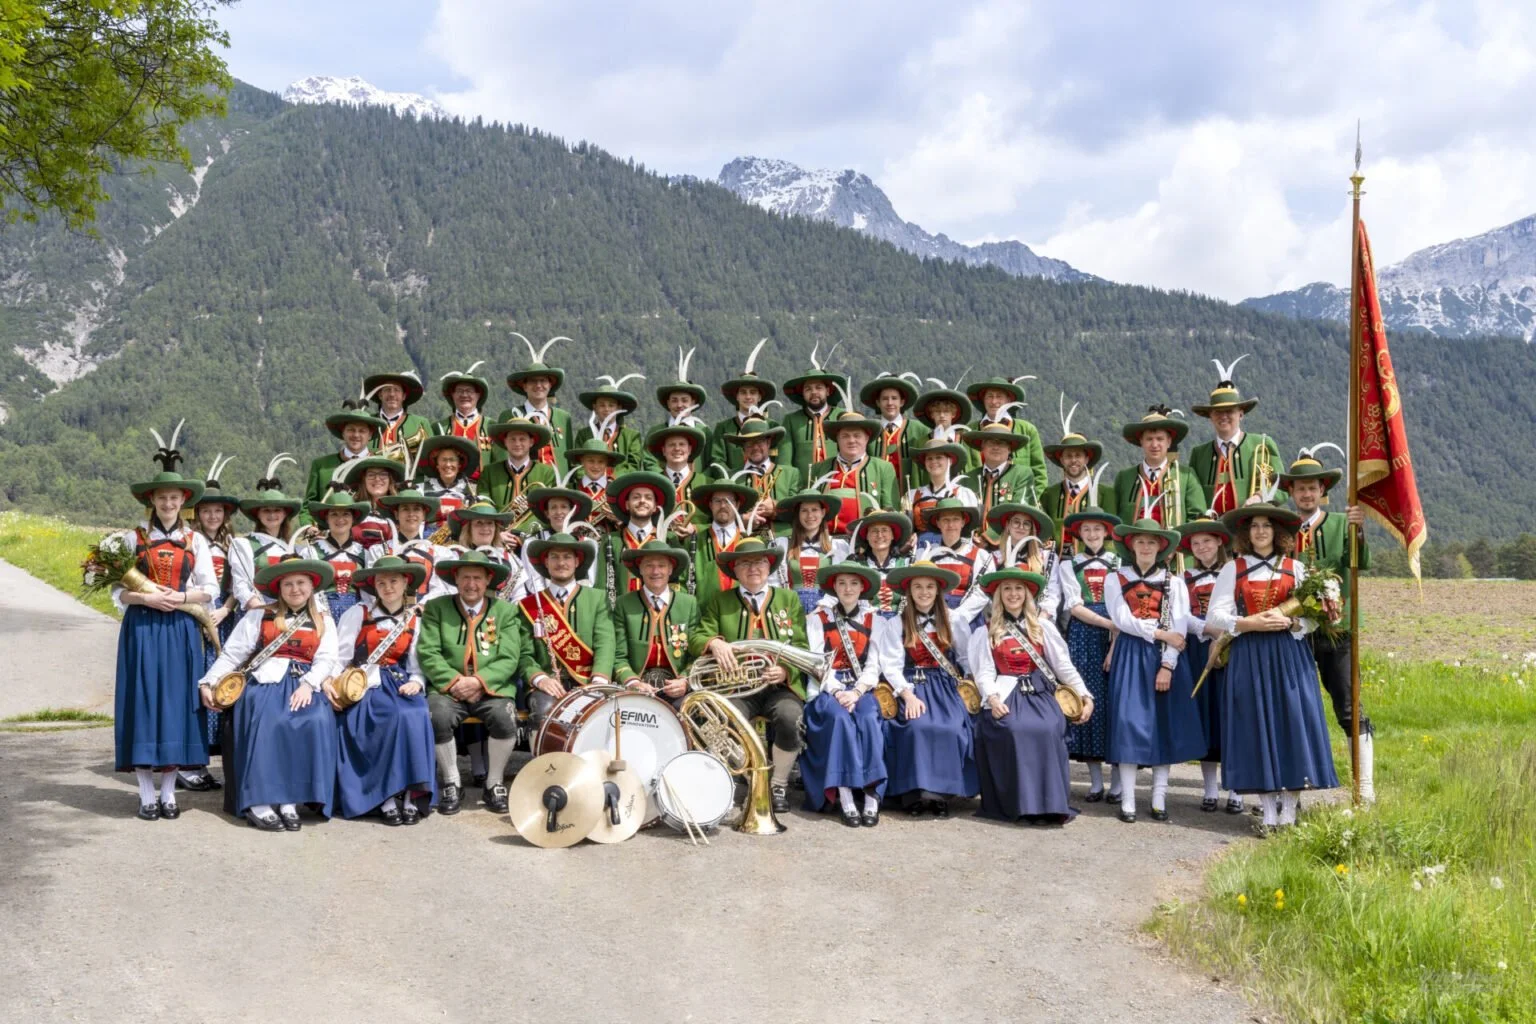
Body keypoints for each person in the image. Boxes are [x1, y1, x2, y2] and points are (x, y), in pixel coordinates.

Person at [1207, 503, 1340, 830]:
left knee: (1292, 725)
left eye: (1267, 525)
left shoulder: (1296, 568)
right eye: (1254, 526)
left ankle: (1290, 811)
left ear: (1278, 532)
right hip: (1249, 655)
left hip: (1288, 655)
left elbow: (1313, 619)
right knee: (1256, 727)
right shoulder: (1233, 568)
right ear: (1245, 533)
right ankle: (1267, 811)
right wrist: (1250, 622)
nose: (1261, 531)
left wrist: (1293, 624)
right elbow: (1215, 616)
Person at [114, 438, 219, 821]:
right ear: (152, 500)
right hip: (142, 626)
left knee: (176, 705)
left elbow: (210, 589)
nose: (169, 504)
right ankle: (145, 794)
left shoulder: (196, 541)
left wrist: (177, 596)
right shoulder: (132, 538)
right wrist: (145, 599)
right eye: (162, 497)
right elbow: (117, 591)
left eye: (174, 498)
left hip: (179, 628)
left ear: (183, 500)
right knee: (143, 702)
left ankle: (170, 794)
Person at [198, 556, 340, 831]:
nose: (295, 589)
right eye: (288, 584)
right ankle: (259, 801)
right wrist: (208, 681)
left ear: (311, 586)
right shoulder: (259, 615)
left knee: (316, 720)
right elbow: (232, 654)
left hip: (303, 683)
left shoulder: (323, 620)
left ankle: (289, 799)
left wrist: (309, 684)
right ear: (278, 588)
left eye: (301, 583)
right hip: (265, 681)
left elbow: (327, 658)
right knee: (268, 720)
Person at [1280, 445, 1374, 801]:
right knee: (1296, 707)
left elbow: (1360, 563)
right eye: (1300, 488)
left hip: (1338, 630)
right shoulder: (1283, 529)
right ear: (1291, 491)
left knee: (1349, 706)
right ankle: (1295, 789)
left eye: (1313, 487)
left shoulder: (1340, 523)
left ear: (1323, 491)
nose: (1307, 493)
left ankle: (1364, 788)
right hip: (1293, 633)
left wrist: (1359, 531)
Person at [690, 537, 810, 813]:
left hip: (778, 687)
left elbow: (802, 647)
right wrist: (713, 643)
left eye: (759, 562)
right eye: (745, 563)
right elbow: (698, 636)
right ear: (735, 570)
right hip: (736, 688)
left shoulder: (788, 599)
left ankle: (777, 785)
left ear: (769, 566)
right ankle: (738, 781)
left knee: (791, 718)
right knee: (722, 721)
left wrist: (785, 670)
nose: (753, 568)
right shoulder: (720, 601)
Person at [417, 550, 540, 815]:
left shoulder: (506, 612)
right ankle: (452, 781)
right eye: (465, 578)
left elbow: (510, 657)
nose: (471, 584)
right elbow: (428, 652)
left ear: (488, 581)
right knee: (436, 716)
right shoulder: (437, 609)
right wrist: (454, 682)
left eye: (477, 578)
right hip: (449, 689)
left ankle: (494, 783)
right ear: (455, 580)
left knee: (505, 718)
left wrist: (479, 682)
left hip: (492, 689)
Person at [968, 568, 1093, 824]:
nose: (1013, 594)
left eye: (1018, 589)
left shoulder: (1043, 627)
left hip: (1040, 693)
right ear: (999, 596)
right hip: (1005, 693)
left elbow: (1063, 667)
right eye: (1007, 589)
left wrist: (1085, 696)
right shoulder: (986, 631)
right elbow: (983, 673)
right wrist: (992, 699)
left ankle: (1049, 805)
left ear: (1027, 594)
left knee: (1048, 727)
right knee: (1013, 729)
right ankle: (1020, 806)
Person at [1103, 516, 1206, 823]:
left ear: (1161, 548)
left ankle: (1159, 796)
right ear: (1131, 545)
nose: (1146, 547)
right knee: (1128, 723)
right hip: (1130, 655)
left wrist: (1167, 665)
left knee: (1164, 724)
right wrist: (1158, 633)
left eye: (1152, 542)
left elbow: (1179, 624)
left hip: (1165, 657)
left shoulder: (1174, 582)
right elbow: (1122, 619)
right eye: (1140, 542)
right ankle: (1130, 800)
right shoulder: (1115, 578)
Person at [332, 556, 438, 824]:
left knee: (415, 715)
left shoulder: (415, 618)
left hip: (397, 679)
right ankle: (385, 796)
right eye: (382, 582)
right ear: (374, 586)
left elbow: (416, 663)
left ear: (405, 584)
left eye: (394, 581)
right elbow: (340, 658)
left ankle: (410, 792)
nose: (388, 587)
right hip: (363, 681)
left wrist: (417, 681)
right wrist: (337, 686)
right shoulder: (358, 613)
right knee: (387, 716)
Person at [877, 561, 978, 816]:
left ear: (938, 590)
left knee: (951, 727)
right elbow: (891, 666)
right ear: (909, 591)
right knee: (915, 727)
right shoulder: (896, 624)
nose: (924, 592)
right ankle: (915, 796)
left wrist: (968, 686)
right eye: (918, 587)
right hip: (912, 686)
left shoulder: (954, 619)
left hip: (945, 686)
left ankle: (942, 795)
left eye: (929, 587)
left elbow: (966, 658)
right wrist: (907, 695)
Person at [803, 563, 888, 826]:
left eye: (854, 583)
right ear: (834, 587)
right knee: (838, 720)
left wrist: (858, 691)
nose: (848, 589)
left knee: (868, 718)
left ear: (863, 587)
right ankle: (845, 794)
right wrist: (839, 691)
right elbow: (818, 663)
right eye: (842, 583)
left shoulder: (877, 620)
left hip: (862, 687)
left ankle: (872, 795)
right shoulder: (818, 619)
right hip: (830, 687)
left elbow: (875, 664)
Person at [179, 454, 242, 792]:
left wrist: (226, 609)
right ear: (197, 513)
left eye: (218, 511)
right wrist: (203, 612)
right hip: (196, 613)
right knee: (196, 683)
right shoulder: (189, 541)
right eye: (206, 511)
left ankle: (214, 756)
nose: (213, 516)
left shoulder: (234, 543)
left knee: (222, 684)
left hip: (225, 617)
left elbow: (236, 585)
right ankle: (189, 762)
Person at [1055, 499, 1122, 802]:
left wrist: (1116, 627)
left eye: (1098, 528)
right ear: (1079, 534)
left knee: (1116, 704)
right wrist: (1107, 621)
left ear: (1106, 532)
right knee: (1088, 700)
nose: (1092, 533)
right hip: (1084, 634)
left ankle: (1119, 781)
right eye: (1087, 529)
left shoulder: (1120, 564)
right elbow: (1073, 605)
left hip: (1118, 635)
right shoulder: (1068, 564)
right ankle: (1096, 782)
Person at [1177, 514, 1243, 814]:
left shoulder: (1234, 574)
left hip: (1232, 650)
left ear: (1220, 541)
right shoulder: (1183, 579)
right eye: (1196, 542)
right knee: (1205, 717)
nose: (1202, 547)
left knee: (1232, 716)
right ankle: (1209, 789)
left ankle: (1237, 790)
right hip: (1198, 649)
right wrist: (1210, 632)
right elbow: (1183, 616)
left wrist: (1225, 636)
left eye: (1207, 541)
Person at [521, 533, 618, 730]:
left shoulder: (598, 598)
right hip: (548, 684)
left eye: (567, 557)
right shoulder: (529, 605)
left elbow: (605, 644)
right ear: (545, 562)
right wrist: (540, 678)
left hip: (589, 681)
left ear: (577, 562)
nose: (561, 562)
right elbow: (524, 654)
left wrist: (598, 680)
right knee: (543, 712)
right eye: (554, 557)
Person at [1187, 357, 1283, 516]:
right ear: (1210, 416)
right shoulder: (1199, 454)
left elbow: (1280, 487)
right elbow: (1193, 497)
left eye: (1229, 411)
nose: (1223, 416)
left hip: (1250, 529)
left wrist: (1260, 497)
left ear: (1241, 414)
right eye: (1218, 412)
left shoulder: (1262, 444)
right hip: (1213, 534)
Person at [611, 539, 698, 704]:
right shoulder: (624, 604)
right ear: (640, 569)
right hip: (638, 686)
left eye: (662, 565)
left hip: (676, 687)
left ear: (671, 569)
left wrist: (685, 681)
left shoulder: (689, 603)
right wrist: (632, 681)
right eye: (649, 565)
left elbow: (695, 654)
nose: (655, 571)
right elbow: (618, 655)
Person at [1112, 406, 1207, 535]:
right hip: (1134, 552)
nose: (1154, 444)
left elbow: (1197, 518)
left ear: (1169, 442)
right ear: (1141, 441)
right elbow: (1116, 520)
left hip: (1175, 552)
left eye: (1160, 439)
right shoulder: (1124, 478)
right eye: (1149, 439)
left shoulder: (1186, 476)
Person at [230, 455, 303, 613]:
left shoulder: (294, 549)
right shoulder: (244, 544)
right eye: (266, 510)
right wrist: (260, 608)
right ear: (258, 514)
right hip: (257, 611)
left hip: (289, 612)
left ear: (285, 514)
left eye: (277, 510)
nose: (272, 515)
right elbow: (240, 585)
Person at [809, 408, 900, 534]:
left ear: (867, 438)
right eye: (845, 436)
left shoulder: (883, 468)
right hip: (825, 540)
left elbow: (891, 511)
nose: (851, 440)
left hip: (864, 543)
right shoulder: (819, 469)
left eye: (857, 435)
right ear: (837, 439)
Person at [707, 339, 786, 473]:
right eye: (743, 392)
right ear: (736, 396)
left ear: (759, 397)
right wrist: (731, 480)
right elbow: (717, 460)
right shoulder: (724, 428)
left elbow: (780, 458)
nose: (748, 397)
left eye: (753, 392)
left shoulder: (772, 426)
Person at [965, 376, 1049, 497]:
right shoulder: (969, 431)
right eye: (990, 396)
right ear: (983, 399)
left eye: (999, 396)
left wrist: (1032, 503)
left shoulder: (1026, 430)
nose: (994, 402)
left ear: (1009, 400)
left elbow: (1039, 473)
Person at [501, 334, 574, 472]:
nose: (539, 385)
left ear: (550, 385)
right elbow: (502, 458)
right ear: (524, 386)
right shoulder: (510, 415)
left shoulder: (563, 418)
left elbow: (569, 458)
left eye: (543, 381)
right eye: (533, 381)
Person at [601, 471, 677, 601]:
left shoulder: (668, 539)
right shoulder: (611, 540)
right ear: (627, 505)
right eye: (636, 497)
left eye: (648, 497)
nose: (642, 501)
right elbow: (601, 585)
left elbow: (677, 582)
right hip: (620, 614)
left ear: (655, 507)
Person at [1040, 396, 1104, 553]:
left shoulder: (1105, 493)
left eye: (1078, 456)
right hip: (1056, 563)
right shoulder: (1050, 494)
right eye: (1068, 456)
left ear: (1087, 458)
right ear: (1061, 459)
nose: (1073, 460)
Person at [685, 477, 759, 607]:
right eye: (717, 501)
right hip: (703, 617)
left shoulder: (750, 542)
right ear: (710, 505)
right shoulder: (694, 540)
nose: (723, 506)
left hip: (741, 615)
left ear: (737, 504)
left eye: (728, 501)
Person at [772, 490, 849, 613]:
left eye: (814, 510)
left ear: (823, 512)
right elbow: (774, 582)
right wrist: (786, 604)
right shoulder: (782, 544)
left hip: (827, 610)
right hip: (790, 608)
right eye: (804, 510)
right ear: (798, 514)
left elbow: (843, 583)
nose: (809, 515)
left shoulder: (837, 546)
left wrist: (823, 607)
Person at [300, 491, 373, 620]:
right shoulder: (312, 552)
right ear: (326, 518)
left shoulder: (364, 553)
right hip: (321, 615)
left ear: (353, 519)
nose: (340, 519)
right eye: (334, 514)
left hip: (356, 617)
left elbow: (369, 592)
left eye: (346, 514)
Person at [925, 498, 994, 630]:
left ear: (963, 522)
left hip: (969, 621)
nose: (950, 524)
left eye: (955, 519)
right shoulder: (927, 556)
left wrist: (959, 616)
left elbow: (982, 593)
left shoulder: (981, 556)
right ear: (938, 523)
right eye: (945, 520)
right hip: (935, 619)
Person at [983, 503, 1061, 619]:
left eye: (1026, 524)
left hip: (1038, 618)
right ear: (1008, 525)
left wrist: (1041, 618)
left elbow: (1053, 593)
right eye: (1016, 522)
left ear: (1031, 529)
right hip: (1001, 619)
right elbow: (987, 595)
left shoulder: (1046, 557)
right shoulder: (992, 558)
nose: (1021, 527)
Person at [725, 417, 801, 536]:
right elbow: (721, 512)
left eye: (759, 441)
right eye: (749, 443)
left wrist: (775, 508)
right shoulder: (730, 477)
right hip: (744, 543)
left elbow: (799, 511)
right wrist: (741, 519)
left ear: (768, 442)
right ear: (743, 447)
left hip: (784, 541)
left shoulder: (791, 473)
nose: (755, 447)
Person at [480, 419, 557, 534]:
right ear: (505, 441)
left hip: (533, 538)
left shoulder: (547, 473)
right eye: (512, 439)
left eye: (522, 439)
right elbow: (483, 509)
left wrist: (522, 534)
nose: (517, 444)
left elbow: (548, 512)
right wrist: (498, 534)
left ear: (531, 442)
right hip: (496, 537)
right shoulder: (489, 472)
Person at [305, 401, 386, 510]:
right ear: (343, 432)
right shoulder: (321, 465)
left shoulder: (382, 465)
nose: (356, 435)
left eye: (362, 431)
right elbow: (308, 506)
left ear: (370, 434)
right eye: (351, 430)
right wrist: (310, 526)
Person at [520, 484, 599, 593]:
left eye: (564, 507)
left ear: (572, 511)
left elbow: (590, 582)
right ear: (547, 513)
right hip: (546, 603)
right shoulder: (532, 543)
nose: (559, 512)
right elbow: (534, 583)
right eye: (553, 507)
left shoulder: (588, 544)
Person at [781, 348, 845, 480]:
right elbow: (785, 462)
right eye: (808, 389)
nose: (814, 392)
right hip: (802, 489)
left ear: (828, 391)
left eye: (819, 388)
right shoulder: (791, 420)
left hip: (837, 486)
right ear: (802, 393)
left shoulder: (841, 417)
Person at [383, 485, 453, 602]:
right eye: (405, 509)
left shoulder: (437, 553)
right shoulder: (380, 550)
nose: (411, 514)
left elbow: (442, 589)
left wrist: (420, 606)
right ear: (396, 514)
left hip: (424, 614)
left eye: (416, 509)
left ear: (424, 515)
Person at [902, 437, 977, 546]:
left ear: (949, 461)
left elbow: (968, 534)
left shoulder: (963, 494)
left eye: (939, 457)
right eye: (930, 458)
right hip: (920, 551)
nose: (934, 462)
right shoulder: (912, 495)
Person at [572, 375, 655, 473]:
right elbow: (577, 465)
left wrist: (613, 479)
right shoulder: (584, 435)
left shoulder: (631, 436)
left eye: (611, 405)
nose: (606, 409)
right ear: (595, 407)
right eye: (602, 405)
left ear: (619, 408)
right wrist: (591, 482)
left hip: (621, 486)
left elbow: (634, 465)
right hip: (589, 487)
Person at [861, 372, 930, 486]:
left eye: (894, 398)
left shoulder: (920, 430)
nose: (890, 403)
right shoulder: (869, 431)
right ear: (878, 403)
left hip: (911, 494)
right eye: (885, 399)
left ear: (902, 402)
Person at [962, 422, 1040, 521]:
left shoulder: (1021, 474)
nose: (996, 447)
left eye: (1001, 443)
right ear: (982, 447)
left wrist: (987, 537)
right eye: (991, 442)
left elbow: (1019, 512)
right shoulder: (967, 479)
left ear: (1009, 448)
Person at [434, 363, 496, 482]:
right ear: (452, 395)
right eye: (459, 391)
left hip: (481, 487)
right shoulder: (439, 427)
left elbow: (499, 464)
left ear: (478, 395)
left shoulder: (492, 426)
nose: (464, 395)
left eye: (469, 391)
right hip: (448, 487)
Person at [846, 510, 913, 617]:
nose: (879, 535)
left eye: (884, 530)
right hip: (866, 626)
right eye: (874, 531)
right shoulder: (857, 566)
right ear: (866, 536)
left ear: (892, 535)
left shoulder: (907, 563)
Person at [646, 423, 708, 538]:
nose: (677, 448)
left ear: (689, 450)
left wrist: (695, 528)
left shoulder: (707, 483)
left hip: (698, 547)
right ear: (664, 450)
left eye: (682, 444)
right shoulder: (652, 484)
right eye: (671, 445)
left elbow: (720, 522)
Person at [364, 370, 432, 465]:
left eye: (396, 390)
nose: (392, 394)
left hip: (411, 479)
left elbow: (432, 458)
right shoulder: (366, 422)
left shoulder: (421, 423)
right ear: (380, 395)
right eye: (387, 390)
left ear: (404, 396)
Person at [344, 455, 405, 552]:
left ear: (390, 480)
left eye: (383, 474)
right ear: (363, 480)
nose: (377, 479)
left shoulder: (401, 511)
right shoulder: (352, 511)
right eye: (371, 475)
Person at [413, 434, 478, 524]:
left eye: (452, 460)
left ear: (459, 465)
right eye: (443, 460)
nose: (448, 465)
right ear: (437, 465)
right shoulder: (420, 490)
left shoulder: (471, 491)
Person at [911, 381, 974, 455]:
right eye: (937, 412)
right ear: (931, 415)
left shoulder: (967, 440)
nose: (942, 415)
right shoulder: (922, 442)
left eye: (946, 411)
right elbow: (917, 465)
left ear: (953, 414)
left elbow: (977, 465)